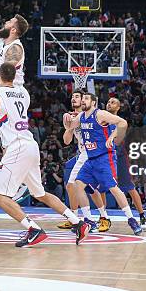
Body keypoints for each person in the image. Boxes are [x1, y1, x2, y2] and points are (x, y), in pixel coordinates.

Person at [0, 62, 89, 247]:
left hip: (16, 147)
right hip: (30, 146)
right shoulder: (23, 93)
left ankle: (33, 229)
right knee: (40, 193)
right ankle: (78, 223)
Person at [67, 93, 143, 235]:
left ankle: (131, 219)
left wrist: (113, 137)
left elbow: (123, 123)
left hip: (104, 158)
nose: (83, 101)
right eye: (82, 99)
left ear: (94, 102)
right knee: (77, 184)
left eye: (86, 99)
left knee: (113, 188)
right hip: (91, 159)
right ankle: (88, 219)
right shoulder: (81, 117)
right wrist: (67, 121)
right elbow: (70, 127)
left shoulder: (100, 114)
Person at [58, 90, 111, 233]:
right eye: (72, 96)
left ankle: (85, 219)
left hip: (94, 153)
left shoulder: (91, 114)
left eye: (77, 96)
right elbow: (66, 141)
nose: (73, 99)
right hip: (83, 153)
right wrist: (69, 127)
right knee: (85, 187)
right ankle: (81, 218)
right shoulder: (73, 117)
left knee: (75, 185)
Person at [105, 97, 146, 229]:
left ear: (118, 107)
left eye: (113, 102)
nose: (109, 104)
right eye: (108, 102)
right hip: (103, 157)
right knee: (98, 188)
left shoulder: (121, 123)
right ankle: (103, 218)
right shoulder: (100, 119)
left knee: (129, 187)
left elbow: (118, 141)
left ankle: (142, 216)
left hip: (118, 156)